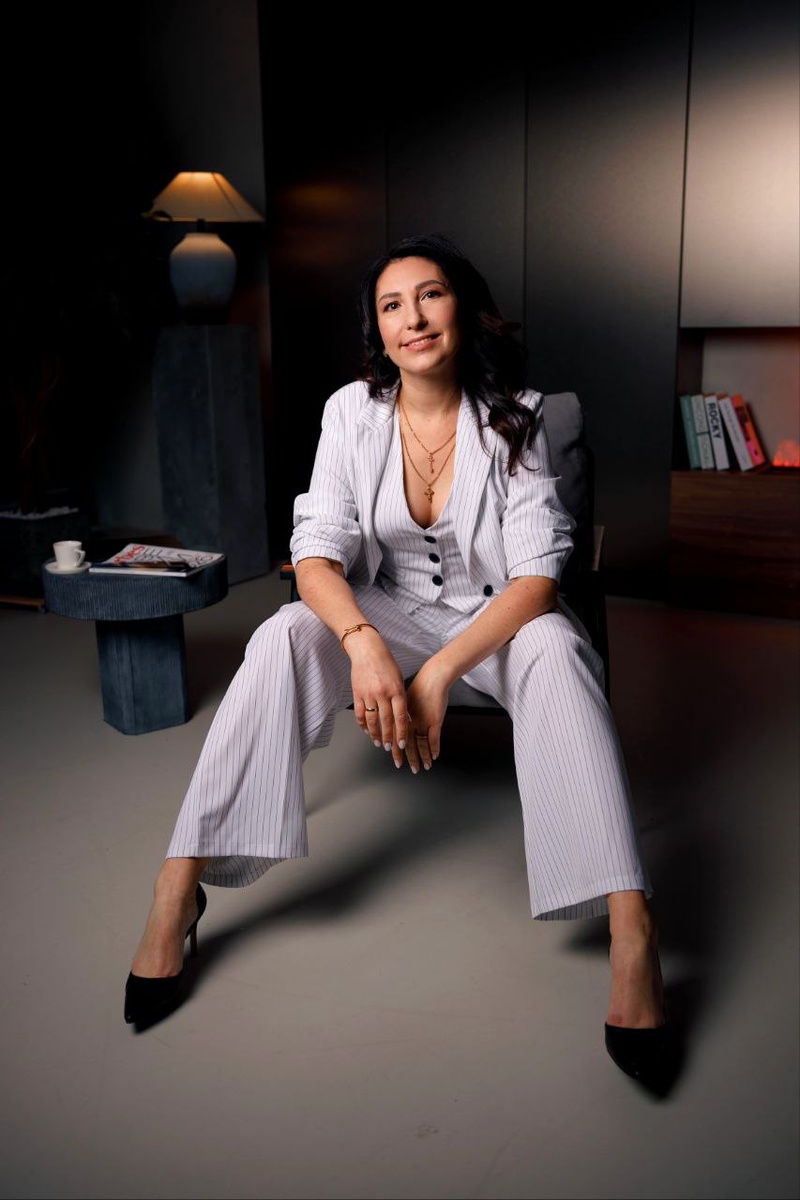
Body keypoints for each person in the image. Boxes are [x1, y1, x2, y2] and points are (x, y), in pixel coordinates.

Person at [124, 232, 674, 1094]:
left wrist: (439, 672)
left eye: (430, 295)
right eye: (391, 305)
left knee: (560, 647)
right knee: (282, 634)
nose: (412, 317)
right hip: (384, 611)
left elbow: (537, 579)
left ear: (463, 310)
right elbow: (315, 556)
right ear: (378, 331)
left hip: (494, 622)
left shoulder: (520, 415)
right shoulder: (352, 412)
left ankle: (631, 927)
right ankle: (177, 885)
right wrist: (365, 642)